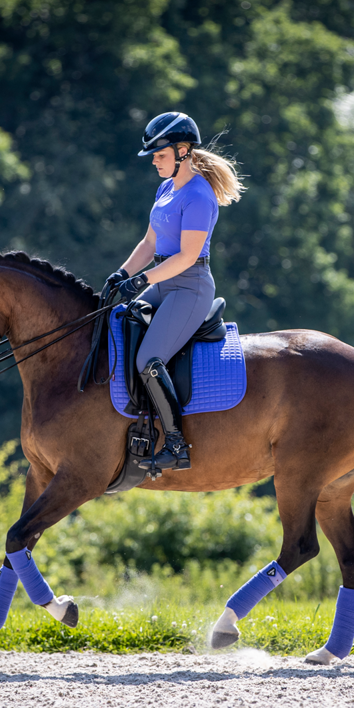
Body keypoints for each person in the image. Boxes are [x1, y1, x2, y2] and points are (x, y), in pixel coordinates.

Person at [105, 111, 245, 472]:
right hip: (163, 280)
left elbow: (186, 257)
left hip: (189, 286)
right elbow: (149, 243)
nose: (154, 161)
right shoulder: (166, 188)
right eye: (153, 155)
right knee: (120, 319)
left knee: (148, 360)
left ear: (183, 151)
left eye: (160, 154)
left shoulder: (198, 196)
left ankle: (177, 445)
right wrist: (122, 273)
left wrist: (142, 281)